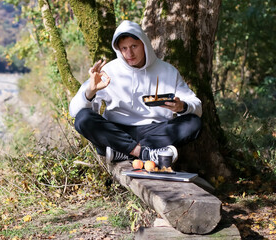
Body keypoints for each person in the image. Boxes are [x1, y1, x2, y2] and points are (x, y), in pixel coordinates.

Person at [69, 20, 202, 166]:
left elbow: (197, 107)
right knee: (83, 118)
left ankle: (122, 151)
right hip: (117, 130)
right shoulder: (108, 72)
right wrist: (91, 91)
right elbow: (74, 111)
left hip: (154, 132)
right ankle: (143, 153)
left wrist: (182, 106)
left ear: (144, 44)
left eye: (134, 46)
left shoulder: (168, 71)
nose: (129, 53)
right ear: (118, 50)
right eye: (124, 48)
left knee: (193, 123)